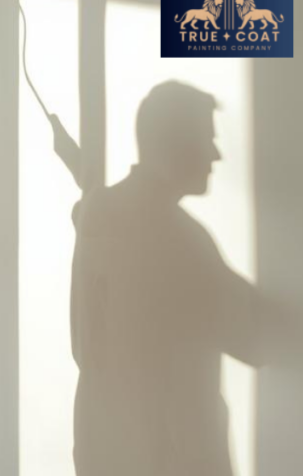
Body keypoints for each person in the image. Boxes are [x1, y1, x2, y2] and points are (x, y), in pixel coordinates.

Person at [69, 81, 263, 476]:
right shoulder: (174, 237)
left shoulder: (100, 215)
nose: (216, 154)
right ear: (173, 143)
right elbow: (256, 335)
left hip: (107, 456)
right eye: (206, 139)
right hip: (173, 459)